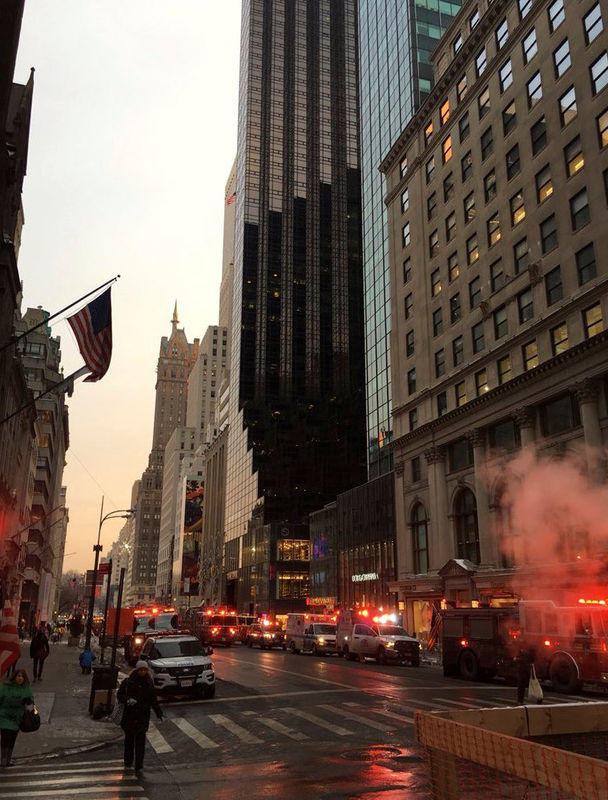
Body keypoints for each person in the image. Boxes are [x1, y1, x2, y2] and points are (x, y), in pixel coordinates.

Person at [117, 661, 164, 773]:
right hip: (130, 716)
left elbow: (153, 700)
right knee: (129, 740)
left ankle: (139, 764)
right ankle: (128, 761)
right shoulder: (128, 682)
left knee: (140, 741)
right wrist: (128, 700)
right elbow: (120, 695)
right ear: (137, 670)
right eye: (141, 670)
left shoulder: (148, 683)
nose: (142, 672)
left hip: (142, 716)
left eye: (144, 670)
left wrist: (159, 713)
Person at [0, 669, 35, 767]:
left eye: (22, 676)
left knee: (12, 738)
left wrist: (28, 702)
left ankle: (8, 760)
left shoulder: (26, 689)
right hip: (5, 717)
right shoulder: (6, 687)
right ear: (14, 677)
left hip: (17, 718)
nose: (20, 678)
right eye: (18, 676)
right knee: (5, 738)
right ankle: (3, 760)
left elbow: (30, 708)